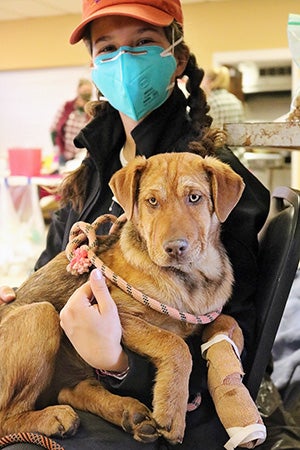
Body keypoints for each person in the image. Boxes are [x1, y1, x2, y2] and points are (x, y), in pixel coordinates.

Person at [0, 1, 270, 449]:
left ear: (177, 57)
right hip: (53, 365)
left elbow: (229, 333)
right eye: (107, 49)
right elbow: (50, 269)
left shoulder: (213, 175)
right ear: (94, 64)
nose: (123, 63)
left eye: (143, 44)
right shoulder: (90, 169)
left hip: (149, 392)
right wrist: (14, 297)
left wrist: (117, 361)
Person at [50, 77, 93, 164]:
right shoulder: (67, 106)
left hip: (83, 156)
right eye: (84, 92)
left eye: (88, 92)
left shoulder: (91, 109)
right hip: (64, 154)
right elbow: (53, 129)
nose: (86, 94)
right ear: (78, 91)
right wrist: (56, 148)